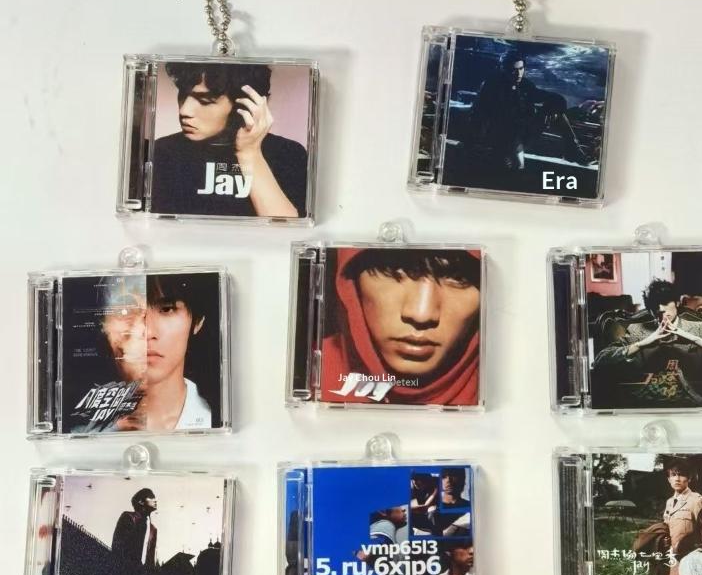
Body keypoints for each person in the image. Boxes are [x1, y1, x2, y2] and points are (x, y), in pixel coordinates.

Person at [321, 248, 481, 406]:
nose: (421, 314)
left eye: (459, 277)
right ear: (352, 278)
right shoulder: (311, 375)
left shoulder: (495, 394)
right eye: (393, 269)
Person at [152, 62, 308, 218]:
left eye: (205, 100)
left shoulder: (288, 154)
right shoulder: (162, 152)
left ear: (246, 105)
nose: (184, 110)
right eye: (183, 95)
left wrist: (250, 153)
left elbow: (288, 228)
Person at [592, 278, 702, 406]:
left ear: (677, 303)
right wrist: (641, 344)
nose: (661, 311)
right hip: (645, 401)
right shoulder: (637, 330)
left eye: (666, 304)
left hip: (689, 401)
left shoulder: (695, 328)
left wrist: (696, 339)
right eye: (655, 308)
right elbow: (600, 361)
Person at [99, 274, 214, 431]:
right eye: (125, 311)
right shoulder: (79, 431)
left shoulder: (213, 420)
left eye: (166, 309)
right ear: (103, 324)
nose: (148, 332)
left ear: (198, 321)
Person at [469, 49, 589, 170]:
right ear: (504, 69)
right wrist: (477, 142)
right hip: (502, 138)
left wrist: (555, 107)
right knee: (517, 167)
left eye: (521, 68)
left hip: (524, 132)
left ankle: (572, 151)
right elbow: (479, 114)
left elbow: (548, 97)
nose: (518, 73)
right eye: (514, 70)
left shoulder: (525, 84)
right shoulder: (492, 86)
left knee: (555, 110)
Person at [661, 460, 702, 575]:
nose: (677, 478)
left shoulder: (696, 500)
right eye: (673, 475)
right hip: (673, 558)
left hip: (691, 558)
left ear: (689, 478)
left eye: (681, 475)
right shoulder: (669, 502)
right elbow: (669, 527)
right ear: (669, 479)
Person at [111, 488, 158, 569]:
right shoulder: (128, 517)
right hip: (126, 570)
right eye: (151, 497)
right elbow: (117, 546)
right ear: (141, 502)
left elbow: (151, 559)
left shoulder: (153, 529)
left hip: (143, 574)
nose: (155, 500)